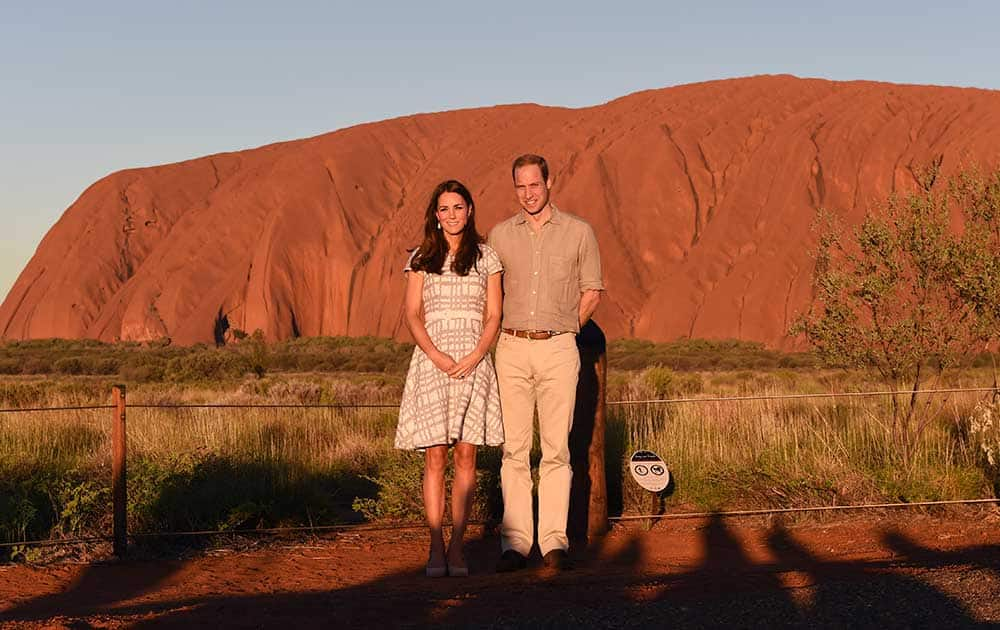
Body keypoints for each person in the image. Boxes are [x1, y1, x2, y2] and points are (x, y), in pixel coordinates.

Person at [488, 154, 604, 572]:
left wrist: (568, 327)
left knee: (556, 449)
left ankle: (554, 541)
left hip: (558, 347)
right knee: (514, 450)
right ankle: (515, 544)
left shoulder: (578, 233)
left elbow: (592, 289)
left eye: (534, 185)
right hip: (513, 347)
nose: (528, 194)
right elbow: (490, 293)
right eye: (520, 186)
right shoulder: (500, 236)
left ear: (549, 182)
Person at [395, 179, 505, 578]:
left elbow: (494, 315)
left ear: (470, 210)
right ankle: (435, 546)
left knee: (466, 455)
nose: (452, 215)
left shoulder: (487, 257)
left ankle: (458, 546)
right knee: (435, 456)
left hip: (474, 363)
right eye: (444, 209)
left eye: (458, 207)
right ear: (435, 215)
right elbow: (411, 314)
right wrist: (436, 355)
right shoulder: (422, 257)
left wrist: (476, 354)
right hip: (432, 363)